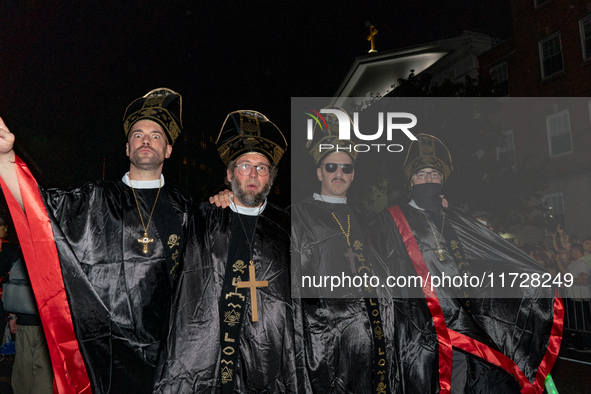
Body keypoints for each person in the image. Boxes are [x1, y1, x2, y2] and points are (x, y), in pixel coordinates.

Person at [0, 88, 192, 394]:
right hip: (104, 355)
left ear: (168, 150)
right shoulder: (95, 200)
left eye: (156, 135)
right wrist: (6, 158)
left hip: (167, 359)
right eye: (138, 134)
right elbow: (39, 207)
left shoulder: (187, 211)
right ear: (127, 148)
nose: (146, 140)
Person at [367, 134, 562, 393]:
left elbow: (491, 259)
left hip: (460, 327)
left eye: (434, 175)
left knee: (458, 384)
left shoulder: (457, 220)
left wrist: (536, 278)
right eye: (422, 175)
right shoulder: (390, 219)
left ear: (442, 181)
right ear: (411, 179)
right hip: (416, 327)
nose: (428, 180)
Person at [154, 110, 300, 393]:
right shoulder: (201, 219)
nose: (253, 174)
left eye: (262, 167)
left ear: (271, 178)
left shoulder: (285, 229)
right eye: (244, 166)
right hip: (203, 358)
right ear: (230, 173)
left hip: (264, 359)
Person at [291, 110, 396, 394]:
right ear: (318, 172)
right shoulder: (297, 216)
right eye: (331, 167)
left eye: (346, 168)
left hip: (373, 339)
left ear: (353, 175)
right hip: (325, 343)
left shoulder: (369, 218)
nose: (339, 173)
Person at [2, 213, 53, 393]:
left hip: (25, 318)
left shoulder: (23, 250)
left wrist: (13, 316)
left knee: (23, 366)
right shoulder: (57, 249)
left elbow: (15, 283)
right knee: (43, 369)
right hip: (48, 321)